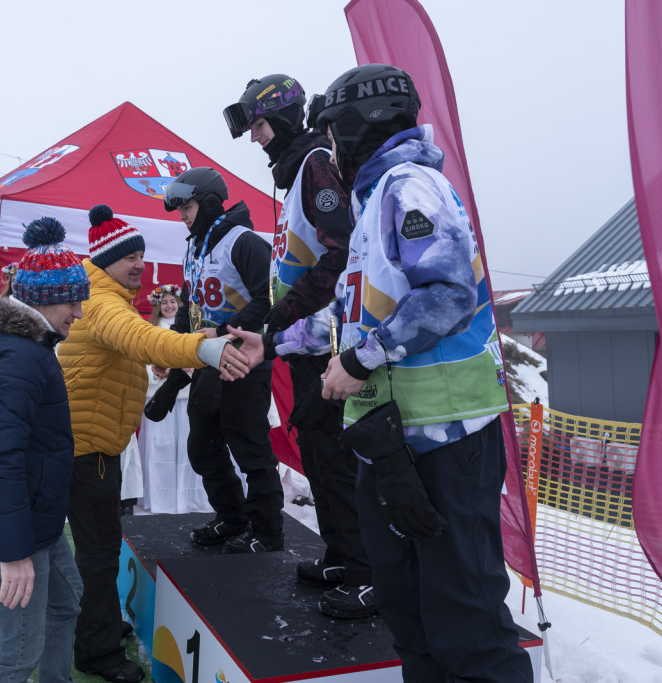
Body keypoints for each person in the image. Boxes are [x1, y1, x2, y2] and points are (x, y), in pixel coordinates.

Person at [230, 64, 533, 681]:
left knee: (464, 619)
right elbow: (353, 316)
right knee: (407, 610)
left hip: (447, 437)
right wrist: (272, 343)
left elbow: (448, 294)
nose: (330, 148)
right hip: (390, 437)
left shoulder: (408, 185)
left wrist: (357, 361)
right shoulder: (373, 199)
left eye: (334, 134)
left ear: (356, 123)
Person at [56, 204, 250, 683]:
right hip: (88, 451)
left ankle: (96, 627)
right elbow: (143, 339)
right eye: (129, 257)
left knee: (98, 549)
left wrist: (150, 367)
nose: (139, 263)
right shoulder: (103, 303)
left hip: (93, 443)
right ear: (106, 261)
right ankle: (97, 653)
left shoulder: (103, 297)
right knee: (98, 554)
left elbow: (125, 351)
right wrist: (205, 346)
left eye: (142, 254)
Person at [223, 74, 374, 618]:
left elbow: (343, 255)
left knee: (335, 456)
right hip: (304, 342)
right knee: (316, 449)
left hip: (330, 341)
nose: (256, 138)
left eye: (260, 126)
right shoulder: (296, 174)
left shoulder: (315, 164)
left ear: (284, 119)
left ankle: (365, 570)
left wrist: (285, 317)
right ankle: (340, 553)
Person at [0, 218, 87, 683]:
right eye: (73, 301)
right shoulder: (19, 357)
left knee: (66, 603)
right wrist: (13, 553)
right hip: (13, 532)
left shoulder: (27, 347)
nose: (80, 313)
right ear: (45, 300)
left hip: (35, 521)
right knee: (16, 654)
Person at [159, 167, 285, 554]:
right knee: (203, 446)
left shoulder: (243, 241)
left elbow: (271, 301)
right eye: (179, 209)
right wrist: (173, 345)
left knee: (249, 447)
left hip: (244, 361)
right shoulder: (194, 246)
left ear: (210, 202)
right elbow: (189, 307)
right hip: (208, 364)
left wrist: (224, 330)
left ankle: (268, 531)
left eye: (188, 206)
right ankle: (232, 517)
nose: (182, 215)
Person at [138, 285, 209, 514]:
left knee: (187, 447)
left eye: (173, 302)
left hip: (187, 396)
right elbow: (143, 368)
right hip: (162, 395)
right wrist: (163, 373)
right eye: (165, 302)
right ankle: (162, 499)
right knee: (162, 448)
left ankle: (190, 498)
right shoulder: (150, 332)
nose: (169, 306)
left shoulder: (191, 328)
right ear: (158, 306)